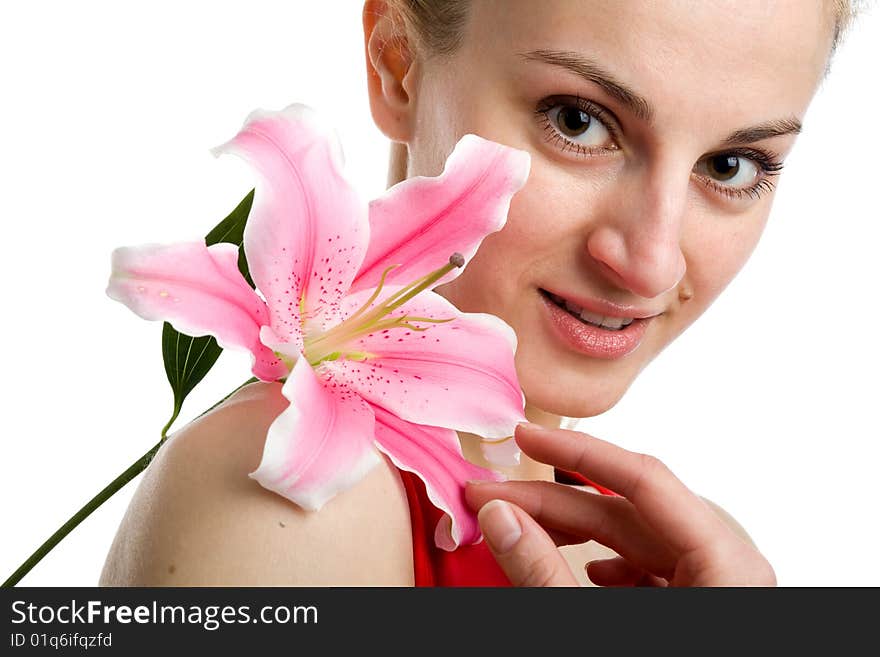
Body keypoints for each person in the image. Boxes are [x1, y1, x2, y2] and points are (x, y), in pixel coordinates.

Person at [98, 0, 855, 587]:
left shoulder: (682, 557)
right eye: (579, 121)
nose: (650, 264)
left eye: (732, 165)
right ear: (396, 63)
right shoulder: (287, 495)